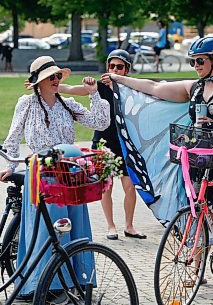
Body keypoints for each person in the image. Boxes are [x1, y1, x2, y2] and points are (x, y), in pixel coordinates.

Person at [102, 37, 213, 286]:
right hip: (198, 158)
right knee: (196, 211)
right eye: (192, 61)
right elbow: (154, 88)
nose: (195, 65)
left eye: (199, 61)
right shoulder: (194, 88)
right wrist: (119, 79)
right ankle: (197, 268)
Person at [0, 55, 110, 298]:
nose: (56, 80)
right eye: (51, 77)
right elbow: (12, 139)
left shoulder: (67, 103)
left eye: (58, 75)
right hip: (42, 174)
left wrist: (94, 93)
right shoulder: (26, 104)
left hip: (70, 174)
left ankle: (75, 281)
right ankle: (45, 284)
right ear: (38, 81)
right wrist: (10, 165)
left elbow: (100, 122)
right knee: (48, 231)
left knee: (74, 228)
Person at [45, 50, 144, 240]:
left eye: (119, 67)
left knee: (130, 186)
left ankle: (129, 226)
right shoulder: (98, 87)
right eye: (111, 66)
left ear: (127, 70)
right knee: (106, 185)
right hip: (104, 141)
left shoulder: (131, 89)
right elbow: (75, 90)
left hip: (125, 142)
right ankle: (110, 226)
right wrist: (53, 86)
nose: (114, 69)